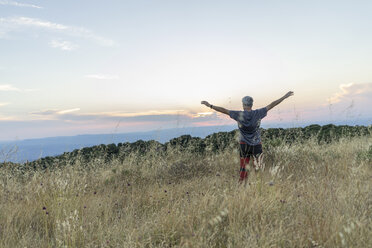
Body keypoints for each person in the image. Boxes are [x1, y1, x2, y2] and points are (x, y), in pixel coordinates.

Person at [201, 91, 294, 184]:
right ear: (251, 104)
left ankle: (242, 186)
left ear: (243, 104)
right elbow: (272, 105)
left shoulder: (239, 115)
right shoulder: (258, 113)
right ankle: (259, 187)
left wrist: (210, 105)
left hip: (244, 145)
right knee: (258, 168)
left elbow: (224, 110)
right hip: (257, 145)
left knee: (243, 168)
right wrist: (284, 97)